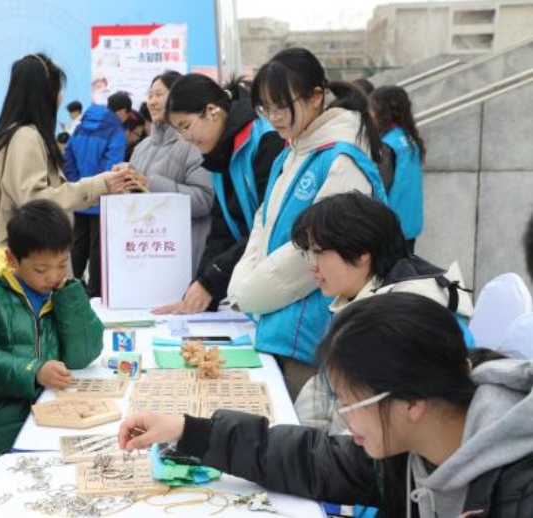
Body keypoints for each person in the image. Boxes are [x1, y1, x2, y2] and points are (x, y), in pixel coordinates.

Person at [120, 293, 533, 518]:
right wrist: (189, 431)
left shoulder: (520, 489)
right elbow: (316, 461)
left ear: (412, 401)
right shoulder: (408, 444)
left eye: (351, 403)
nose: (345, 421)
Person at [227, 48, 386, 399]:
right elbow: (262, 224)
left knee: (300, 425)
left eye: (280, 107)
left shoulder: (341, 159)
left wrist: (250, 293)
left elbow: (315, 255)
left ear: (316, 97)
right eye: (265, 108)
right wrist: (244, 284)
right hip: (277, 322)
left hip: (312, 336)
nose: (273, 118)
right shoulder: (291, 152)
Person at [0, 199, 104, 516]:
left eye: (62, 264)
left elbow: (84, 353)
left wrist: (70, 296)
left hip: (45, 430)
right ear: (12, 259)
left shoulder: (60, 294)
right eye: (41, 269)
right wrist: (33, 371)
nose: (53, 276)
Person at [289, 192, 474, 430]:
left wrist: (301, 444)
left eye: (318, 252)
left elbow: (372, 427)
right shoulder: (366, 299)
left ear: (360, 252)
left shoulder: (403, 317)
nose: (312, 266)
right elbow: (327, 388)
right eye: (308, 253)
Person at [0, 53, 130, 278]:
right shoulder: (27, 136)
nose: (60, 96)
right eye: (58, 88)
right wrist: (100, 184)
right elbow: (36, 202)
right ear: (44, 94)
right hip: (33, 265)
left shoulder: (14, 133)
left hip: (27, 260)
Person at [152, 73, 285, 314]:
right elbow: (222, 230)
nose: (186, 138)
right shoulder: (219, 155)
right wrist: (201, 288)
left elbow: (269, 226)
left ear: (212, 111)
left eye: (186, 126)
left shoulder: (265, 141)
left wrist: (211, 281)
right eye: (179, 131)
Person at [117, 71, 215, 276]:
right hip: (147, 256)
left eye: (159, 94)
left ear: (178, 96)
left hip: (185, 257)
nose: (152, 102)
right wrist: (123, 183)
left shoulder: (194, 142)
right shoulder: (142, 147)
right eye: (150, 95)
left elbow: (205, 200)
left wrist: (150, 184)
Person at [63, 91, 129, 297]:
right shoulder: (115, 130)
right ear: (122, 112)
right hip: (102, 199)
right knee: (99, 248)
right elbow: (113, 166)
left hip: (80, 196)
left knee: (77, 245)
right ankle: (95, 293)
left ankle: (69, 289)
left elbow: (68, 158)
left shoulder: (80, 127)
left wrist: (78, 185)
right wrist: (101, 188)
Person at [370, 85, 425, 252]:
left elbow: (379, 187)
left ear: (383, 112)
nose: (370, 114)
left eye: (373, 109)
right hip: (409, 225)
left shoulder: (388, 145)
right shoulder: (409, 140)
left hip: (390, 228)